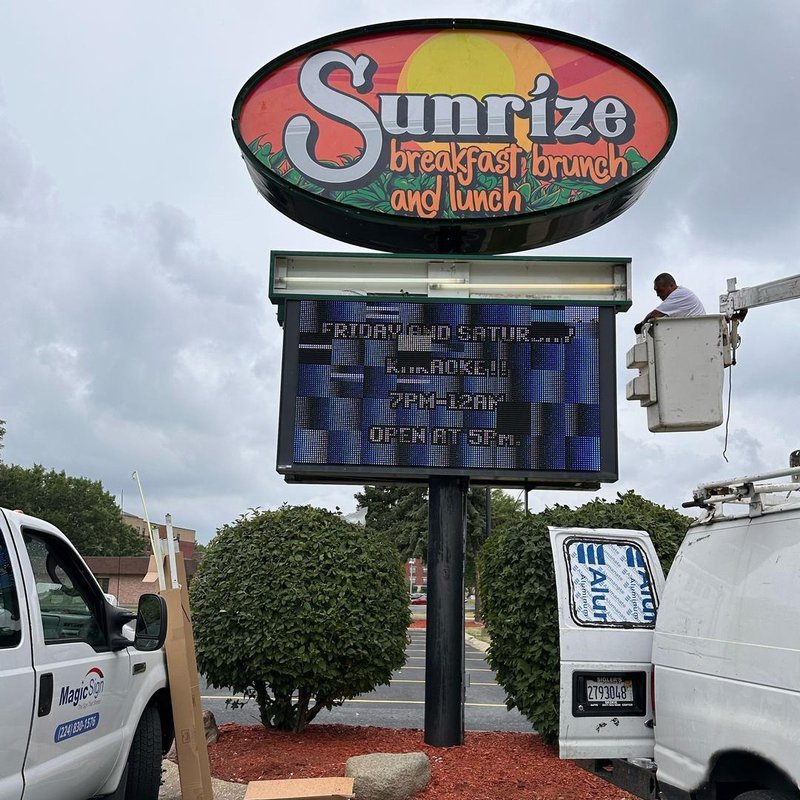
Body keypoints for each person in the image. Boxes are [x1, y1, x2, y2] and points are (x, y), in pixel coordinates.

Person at [634, 273, 706, 334]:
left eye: (660, 291)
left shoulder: (679, 294)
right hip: (695, 330)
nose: (658, 295)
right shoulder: (682, 292)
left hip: (696, 332)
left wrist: (641, 325)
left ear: (671, 285)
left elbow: (654, 315)